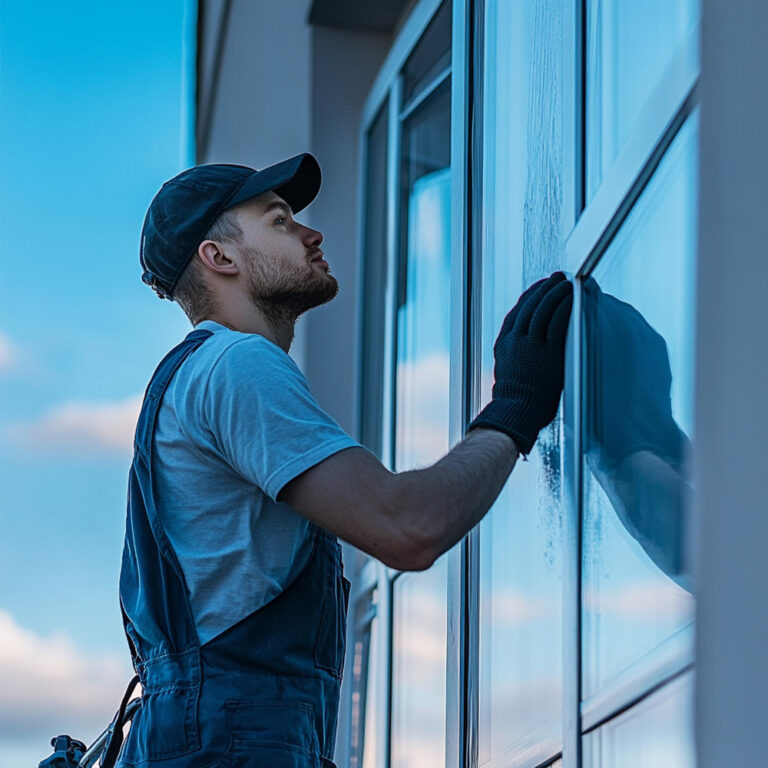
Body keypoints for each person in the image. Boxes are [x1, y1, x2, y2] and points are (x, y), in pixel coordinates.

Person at [116, 153, 573, 768]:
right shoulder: (237, 366)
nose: (311, 232)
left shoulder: (194, 377)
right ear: (218, 258)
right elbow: (406, 528)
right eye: (279, 221)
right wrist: (514, 410)